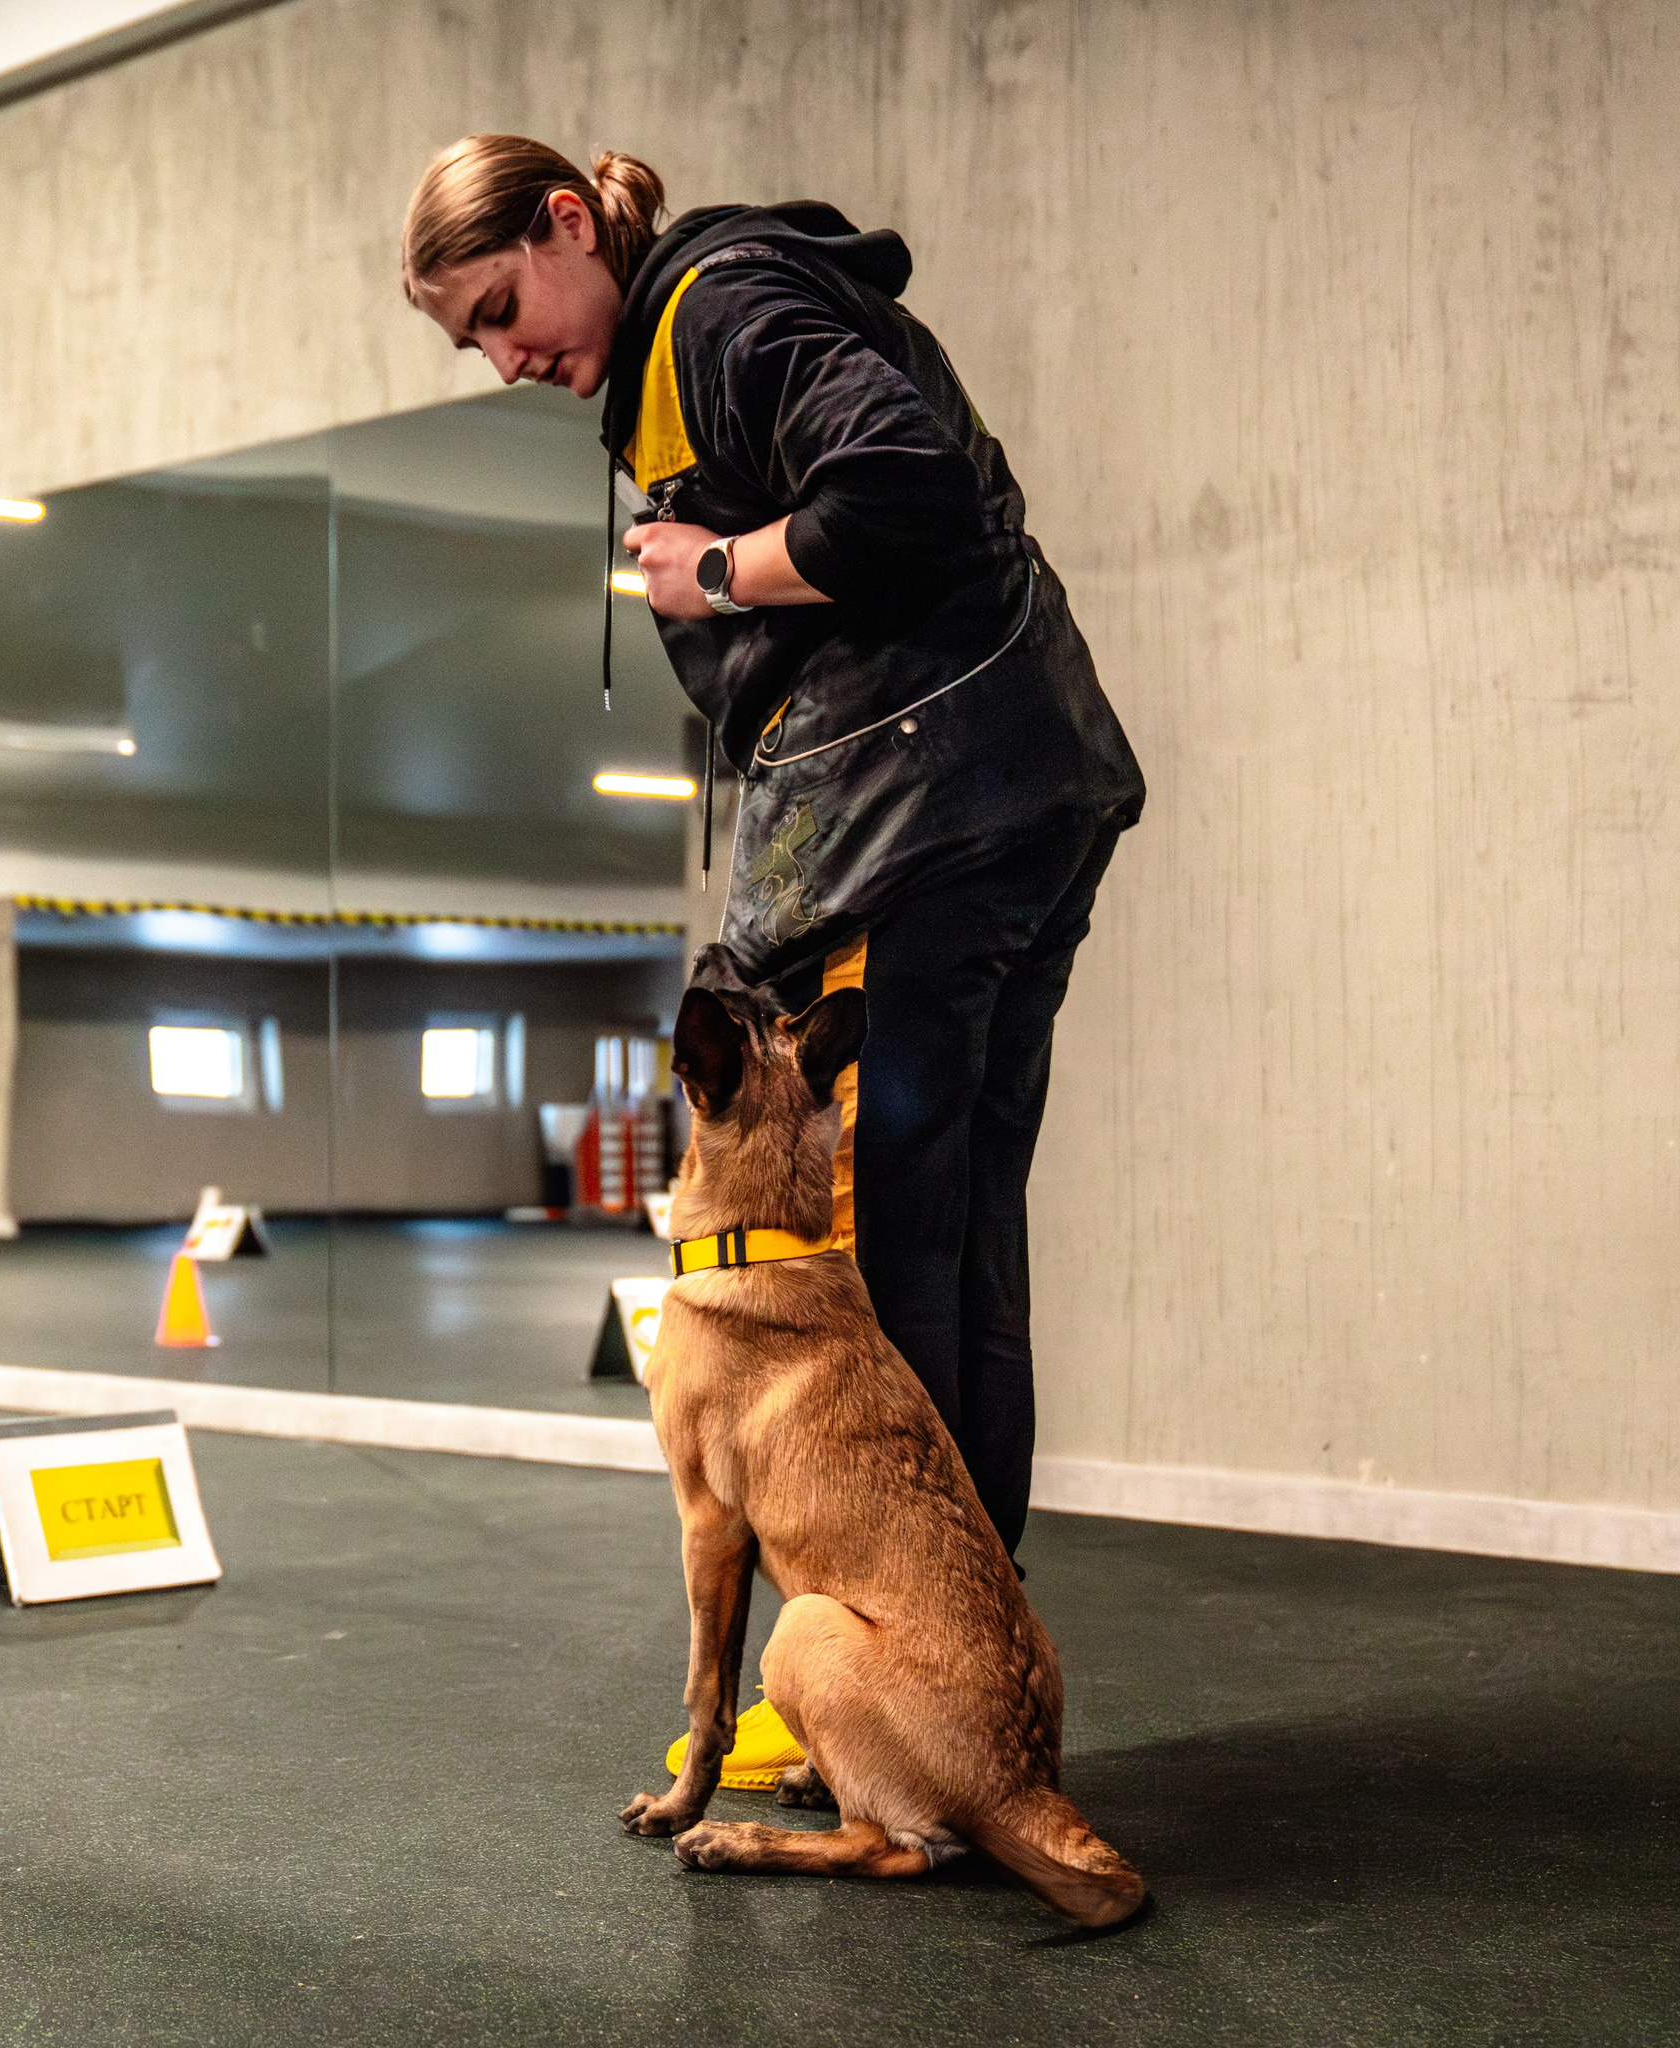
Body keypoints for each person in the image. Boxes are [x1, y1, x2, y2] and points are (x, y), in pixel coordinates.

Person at [404, 139, 1146, 1773]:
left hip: (928, 818)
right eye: (475, 339)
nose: (509, 354)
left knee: (872, 1276)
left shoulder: (719, 308)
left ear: (570, 225)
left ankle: (898, 1673)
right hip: (1014, 792)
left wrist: (717, 567)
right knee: (949, 1251)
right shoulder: (692, 336)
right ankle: (958, 1659)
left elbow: (907, 493)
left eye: (504, 306)